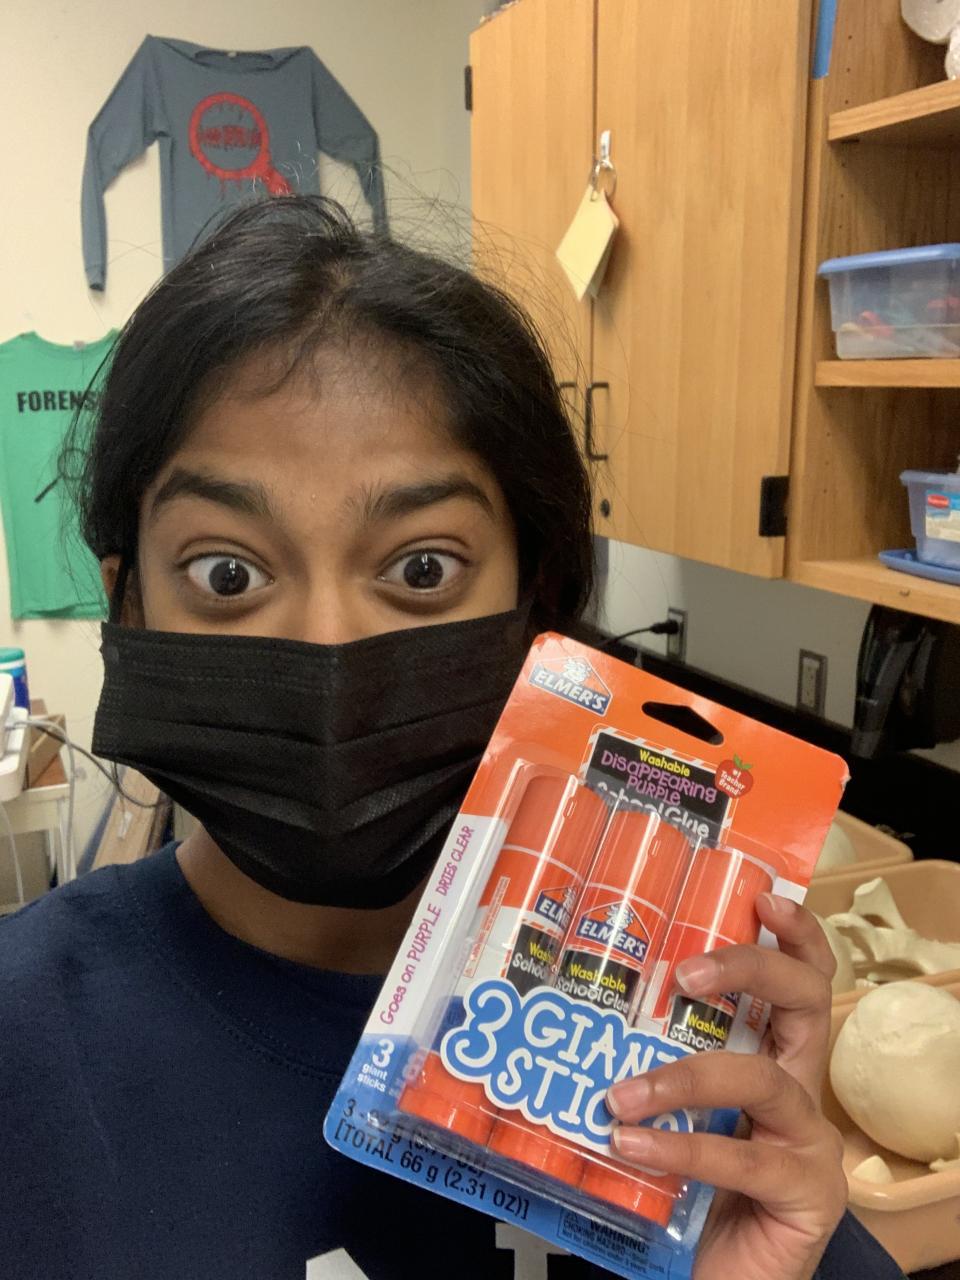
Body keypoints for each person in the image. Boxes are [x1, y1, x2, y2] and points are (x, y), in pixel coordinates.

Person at [0, 196, 904, 1280]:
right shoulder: (23, 1039)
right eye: (226, 572)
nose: (330, 644)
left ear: (539, 600)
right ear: (129, 605)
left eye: (421, 567)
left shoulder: (678, 1039)